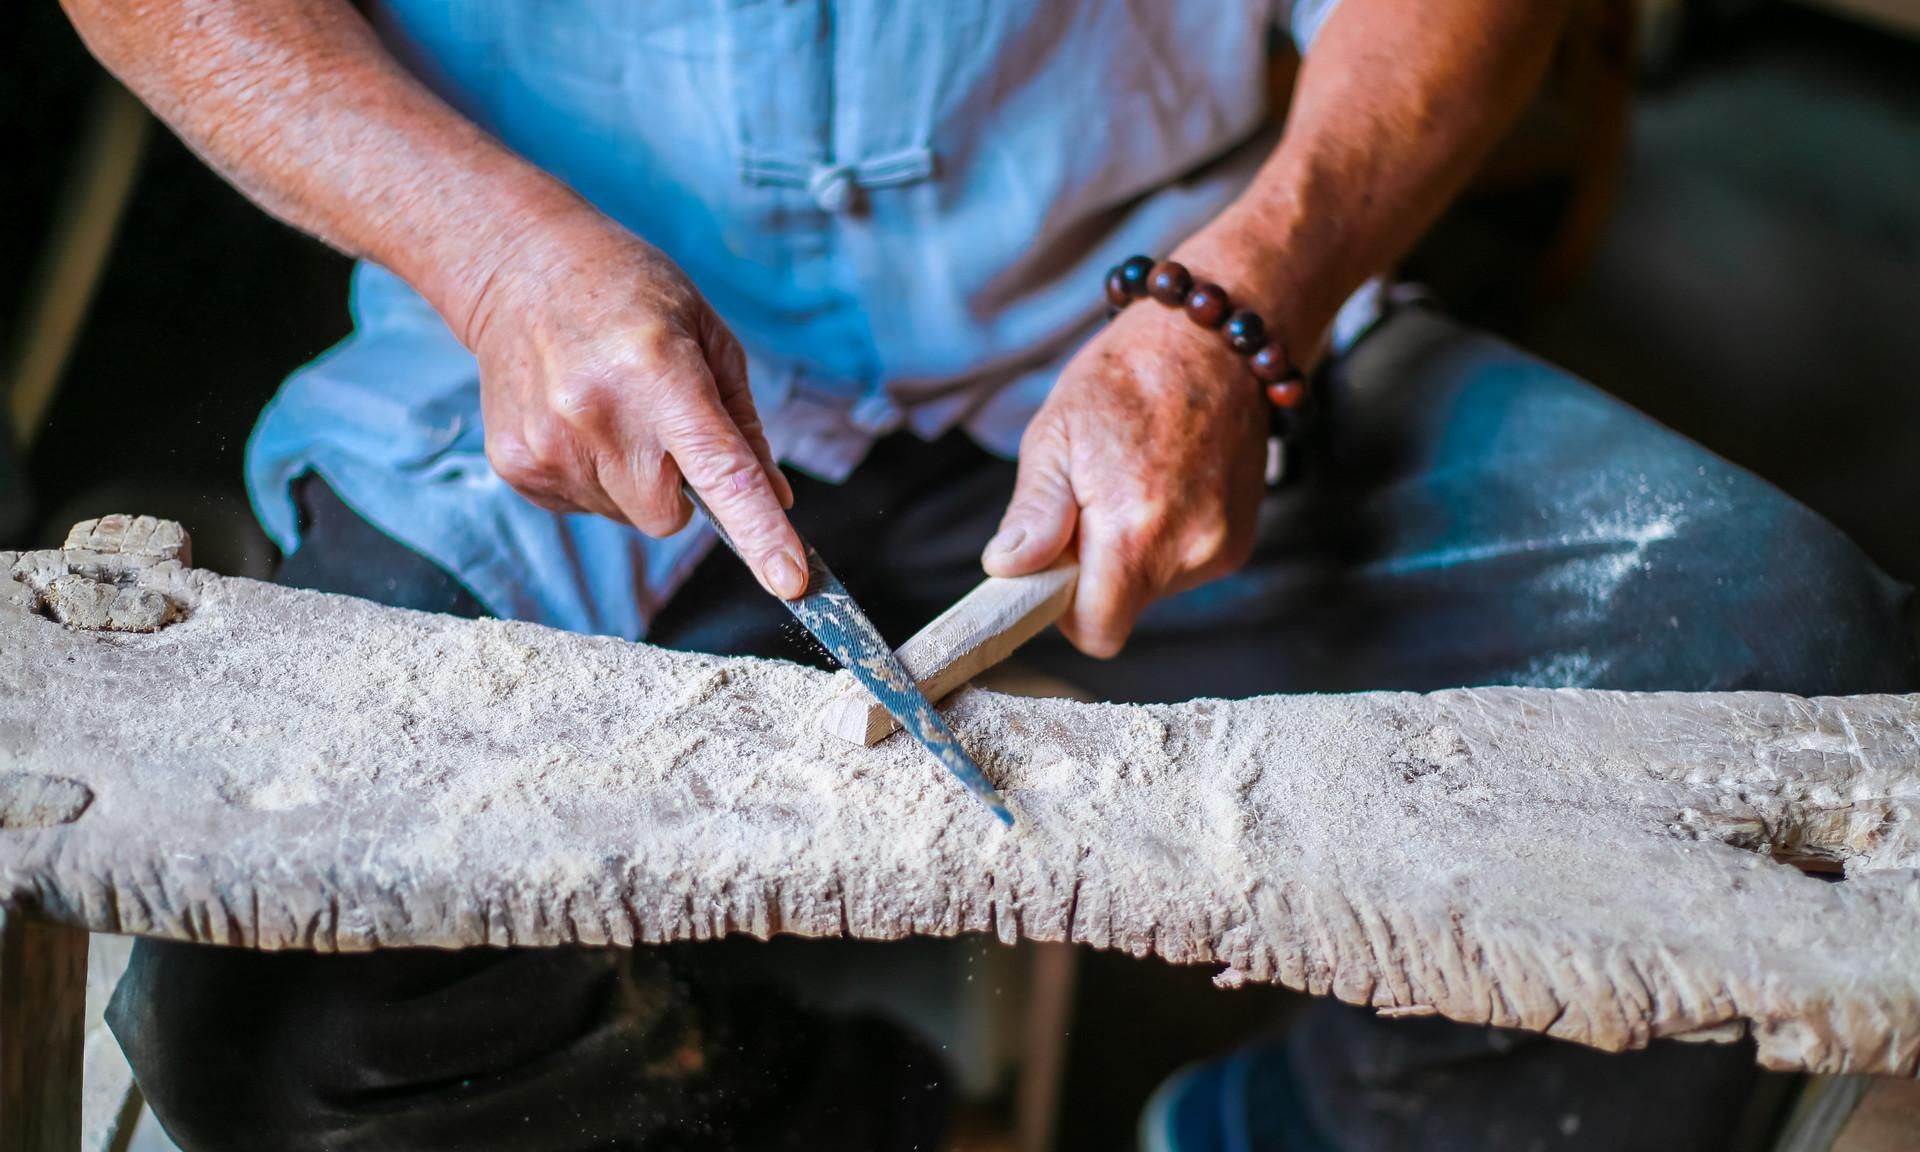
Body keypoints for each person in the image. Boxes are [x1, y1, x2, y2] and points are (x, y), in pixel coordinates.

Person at [63, 1, 1914, 1149]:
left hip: (1151, 313)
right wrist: (493, 255)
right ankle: (836, 1130)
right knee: (273, 1004)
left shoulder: (1208, 311)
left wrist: (1240, 298)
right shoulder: (522, 309)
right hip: (553, 372)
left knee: (1769, 685)